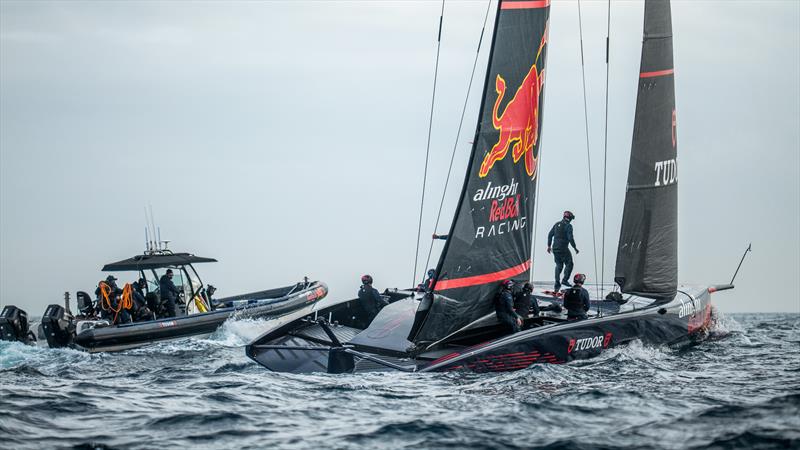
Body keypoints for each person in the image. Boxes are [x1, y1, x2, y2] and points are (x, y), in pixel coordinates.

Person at [547, 210, 580, 291]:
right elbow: (570, 238)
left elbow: (550, 235)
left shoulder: (556, 224)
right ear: (570, 218)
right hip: (563, 248)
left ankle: (557, 283)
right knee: (570, 264)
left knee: (559, 265)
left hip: (555, 248)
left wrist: (549, 246)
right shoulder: (568, 226)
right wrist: (575, 248)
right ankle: (565, 280)